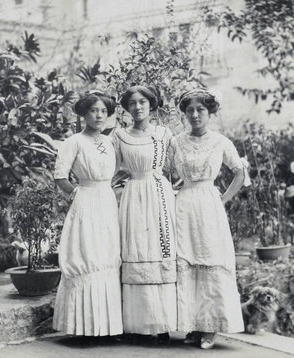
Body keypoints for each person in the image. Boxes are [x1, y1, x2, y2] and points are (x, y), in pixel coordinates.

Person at [167, 88, 250, 349]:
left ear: (210, 112)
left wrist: (222, 199)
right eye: (189, 110)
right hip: (183, 204)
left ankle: (211, 327)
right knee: (186, 262)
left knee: (209, 260)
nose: (194, 115)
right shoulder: (176, 141)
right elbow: (165, 172)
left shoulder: (221, 142)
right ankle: (192, 324)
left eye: (200, 109)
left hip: (209, 204)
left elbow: (240, 173)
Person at [52, 91, 123, 338]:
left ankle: (107, 326)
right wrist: (76, 194)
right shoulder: (74, 142)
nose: (99, 115)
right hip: (85, 200)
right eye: (94, 110)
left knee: (107, 254)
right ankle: (81, 327)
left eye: (104, 111)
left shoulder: (110, 141)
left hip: (107, 200)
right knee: (86, 253)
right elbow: (60, 176)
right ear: (84, 113)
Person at [113, 85, 177, 343]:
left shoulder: (164, 133)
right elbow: (110, 168)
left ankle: (162, 324)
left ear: (152, 105)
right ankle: (135, 325)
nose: (137, 107)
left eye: (142, 102)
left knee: (160, 251)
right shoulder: (118, 136)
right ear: (126, 108)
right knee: (136, 250)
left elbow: (178, 164)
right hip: (134, 196)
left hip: (159, 195)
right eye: (132, 103)